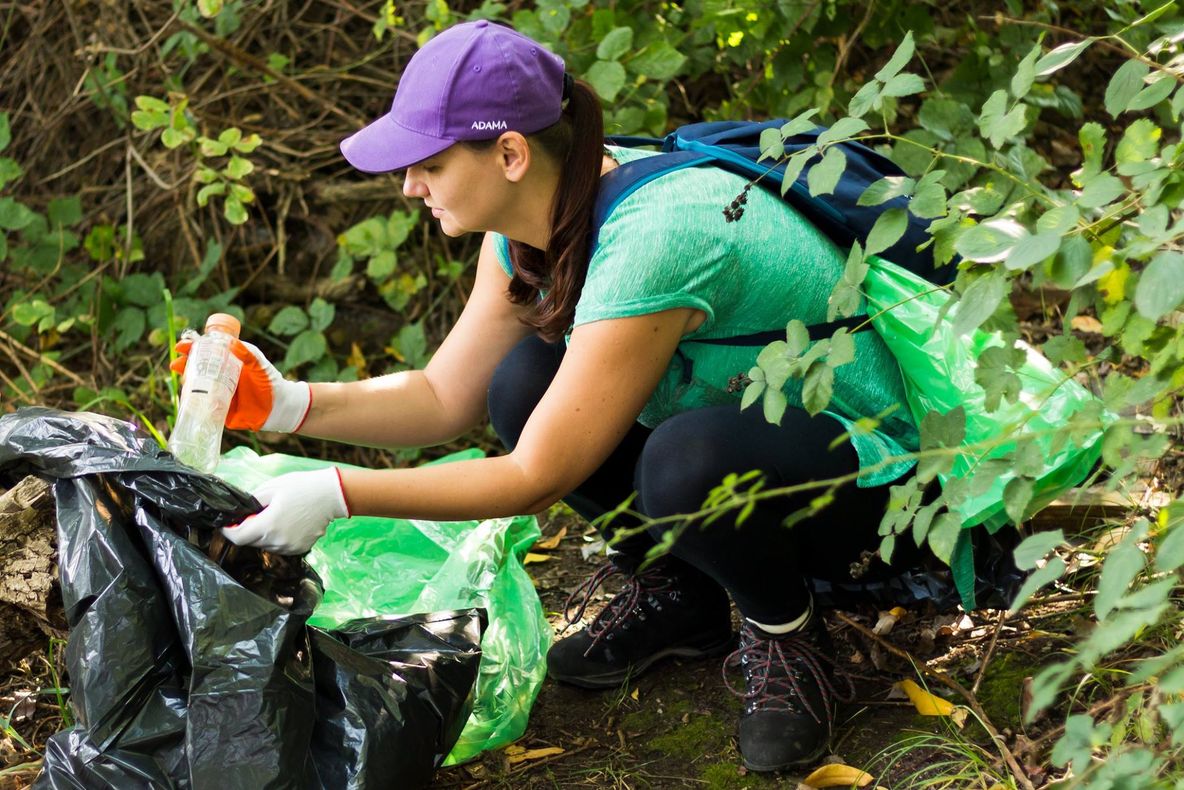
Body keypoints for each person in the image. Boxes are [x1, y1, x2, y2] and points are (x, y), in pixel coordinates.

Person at [172, 20, 925, 772]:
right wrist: (287, 405)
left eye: (428, 163)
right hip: (750, 424)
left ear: (510, 153)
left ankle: (786, 632)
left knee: (685, 463)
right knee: (521, 381)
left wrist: (337, 495)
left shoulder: (657, 235)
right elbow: (444, 397)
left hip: (878, 473)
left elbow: (538, 475)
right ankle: (684, 599)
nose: (408, 186)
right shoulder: (532, 223)